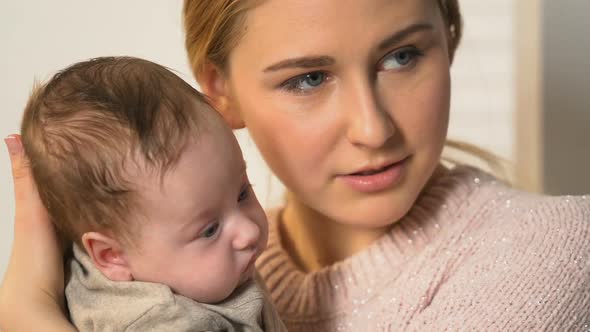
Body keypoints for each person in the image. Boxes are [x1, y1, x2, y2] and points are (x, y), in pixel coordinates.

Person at [1, 0, 589, 331]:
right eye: (309, 78)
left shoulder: (553, 252)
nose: (373, 127)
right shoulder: (162, 273)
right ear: (219, 92)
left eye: (402, 55)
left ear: (449, 36)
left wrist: (29, 313)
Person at [17, 56, 285, 331]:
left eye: (242, 193)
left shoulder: (159, 254)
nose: (249, 231)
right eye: (209, 230)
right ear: (112, 256)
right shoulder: (168, 322)